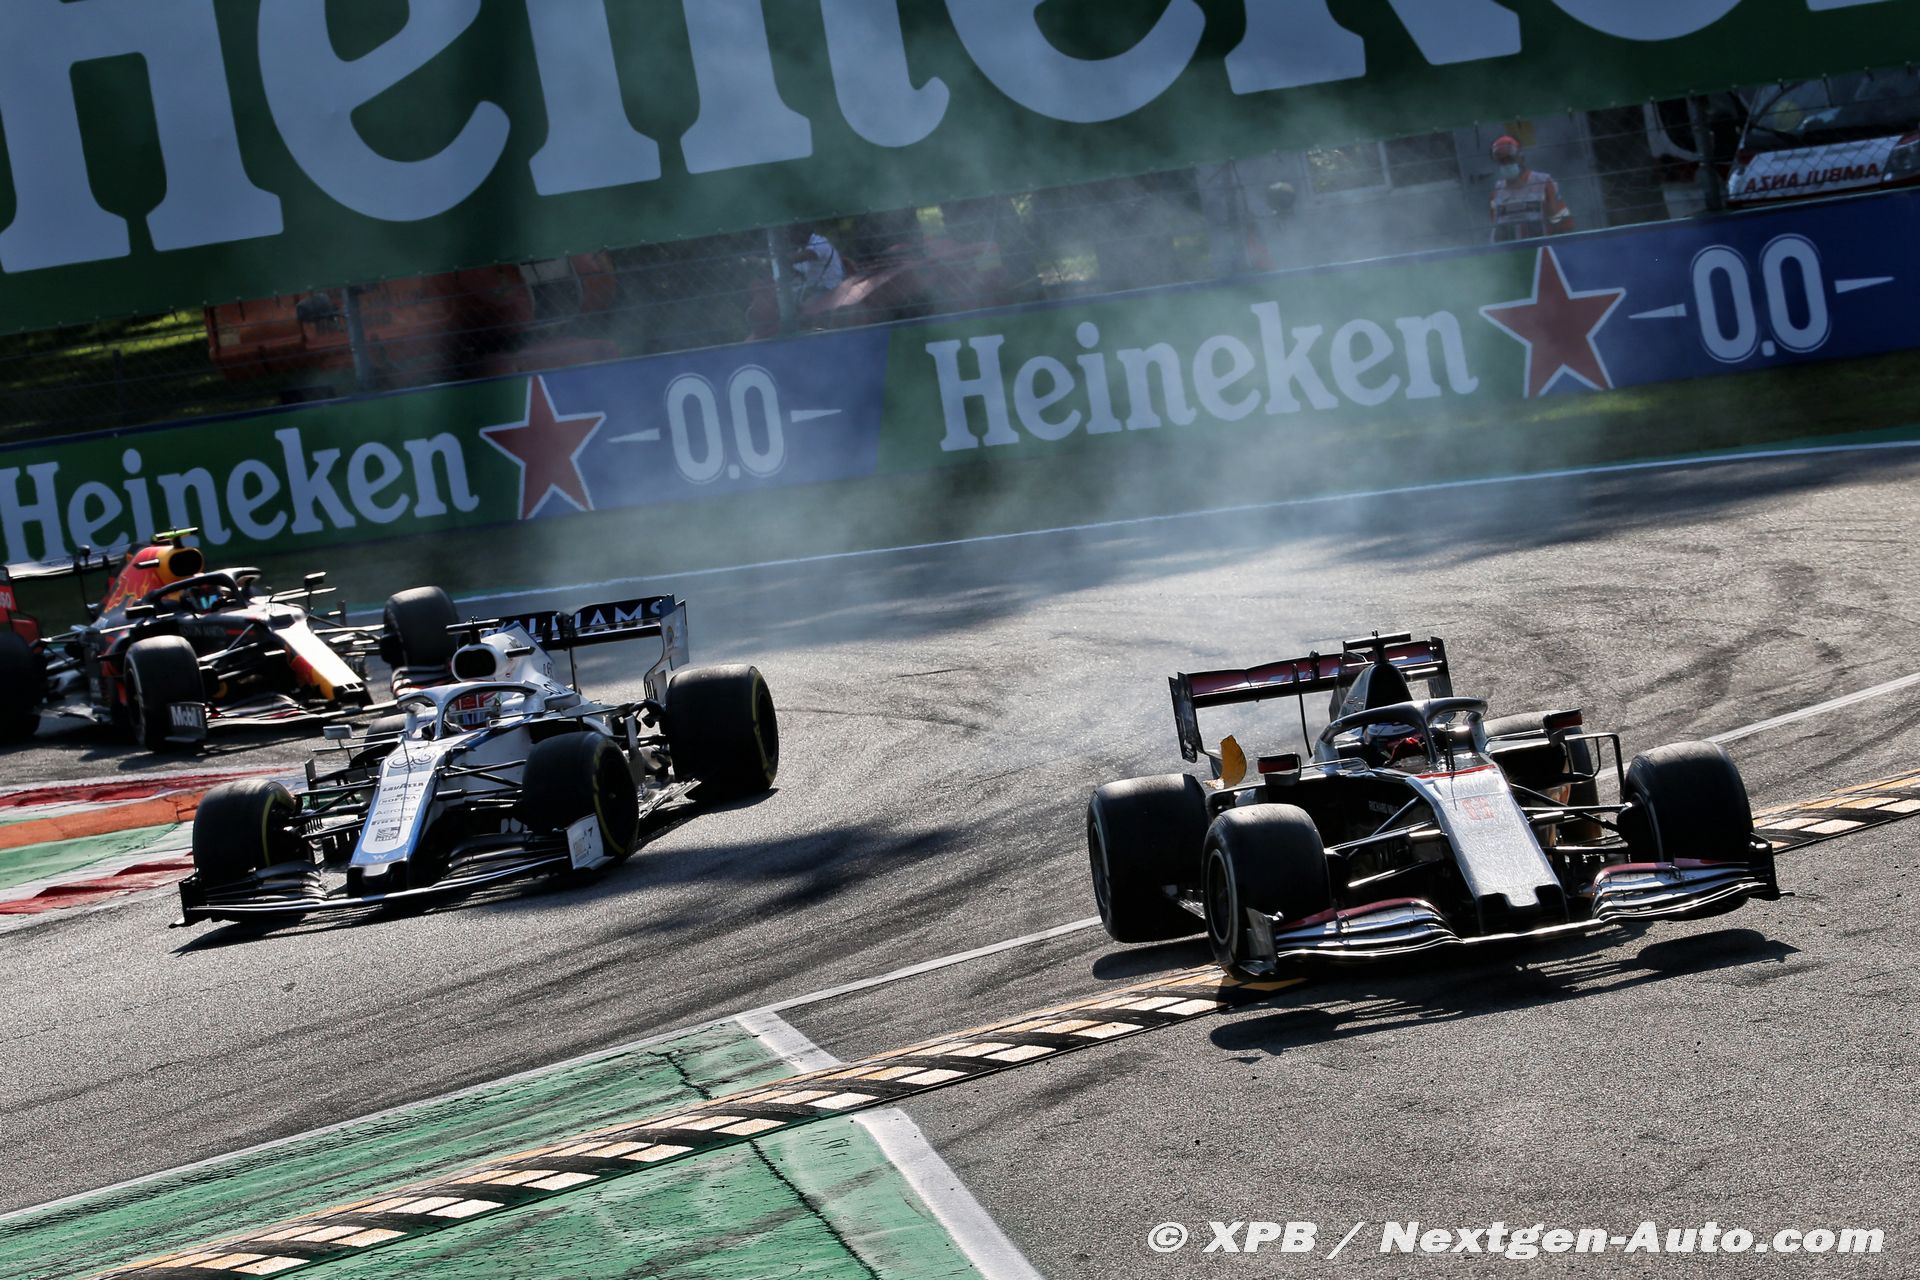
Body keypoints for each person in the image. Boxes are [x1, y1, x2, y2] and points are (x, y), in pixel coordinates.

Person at [1488, 136, 1575, 243]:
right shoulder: (1497, 191)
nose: (1506, 164)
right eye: (1502, 161)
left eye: (1510, 159)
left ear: (1521, 158)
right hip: (1509, 250)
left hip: (1540, 246)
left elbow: (1565, 223)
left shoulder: (1543, 182)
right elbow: (1495, 227)